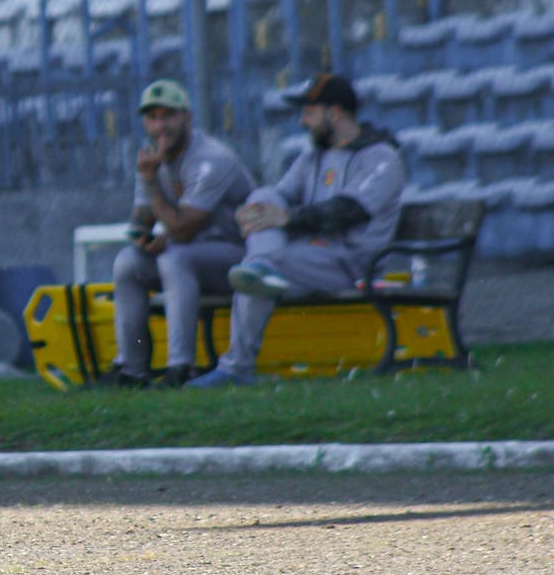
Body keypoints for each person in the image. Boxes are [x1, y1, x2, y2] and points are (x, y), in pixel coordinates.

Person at [200, 73, 405, 390]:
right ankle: (260, 266)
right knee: (262, 197)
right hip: (309, 255)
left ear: (334, 113)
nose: (302, 120)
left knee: (261, 269)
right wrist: (255, 212)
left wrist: (285, 219)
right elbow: (279, 197)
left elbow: (346, 212)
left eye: (309, 112)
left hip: (351, 264)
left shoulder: (380, 157)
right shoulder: (314, 157)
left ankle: (237, 368)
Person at [103, 81, 257, 390]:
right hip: (193, 255)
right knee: (127, 263)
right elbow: (141, 222)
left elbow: (184, 230)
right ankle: (132, 369)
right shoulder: (153, 158)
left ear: (187, 117)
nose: (160, 125)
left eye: (168, 116)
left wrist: (150, 184)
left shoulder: (212, 158)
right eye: (152, 117)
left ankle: (180, 366)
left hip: (240, 255)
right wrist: (143, 237)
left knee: (175, 259)